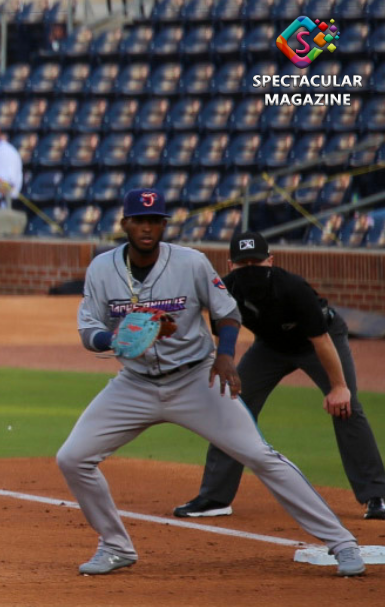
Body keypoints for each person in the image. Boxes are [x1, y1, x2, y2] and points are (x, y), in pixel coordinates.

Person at [56, 189, 365, 577]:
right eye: (140, 220)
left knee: (259, 455)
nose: (148, 227)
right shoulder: (102, 269)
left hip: (195, 380)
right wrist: (113, 340)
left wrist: (225, 356)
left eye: (155, 220)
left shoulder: (191, 263)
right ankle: (116, 546)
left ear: (164, 225)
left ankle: (342, 543)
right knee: (72, 457)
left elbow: (227, 312)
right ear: (125, 224)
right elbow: (89, 329)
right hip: (133, 385)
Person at [174, 231, 385, 521]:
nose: (250, 268)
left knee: (346, 407)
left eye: (256, 262)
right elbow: (226, 332)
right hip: (270, 347)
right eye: (242, 263)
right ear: (231, 264)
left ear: (270, 261)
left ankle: (377, 495)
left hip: (317, 342)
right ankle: (214, 497)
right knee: (232, 407)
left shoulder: (292, 288)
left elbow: (321, 339)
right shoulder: (226, 289)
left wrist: (338, 387)